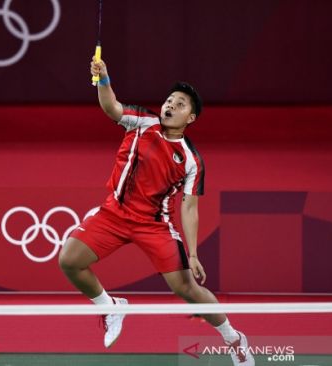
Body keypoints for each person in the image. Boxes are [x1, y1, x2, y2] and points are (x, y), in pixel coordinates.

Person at [58, 57, 254, 366]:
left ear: (191, 118)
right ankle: (110, 306)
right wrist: (104, 79)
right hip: (114, 213)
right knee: (69, 260)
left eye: (180, 104)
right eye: (169, 100)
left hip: (154, 225)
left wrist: (192, 253)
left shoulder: (191, 160)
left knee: (186, 289)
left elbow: (189, 207)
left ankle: (233, 338)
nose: (171, 106)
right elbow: (111, 108)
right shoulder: (142, 121)